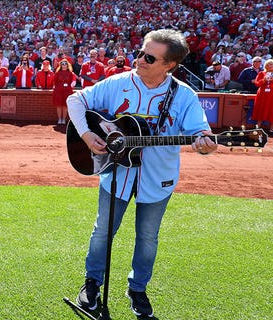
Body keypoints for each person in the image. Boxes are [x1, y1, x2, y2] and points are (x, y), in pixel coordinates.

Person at [67, 29, 218, 318]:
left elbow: (201, 134)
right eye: (140, 53)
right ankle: (92, 283)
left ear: (169, 65)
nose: (140, 60)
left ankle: (137, 288)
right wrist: (86, 135)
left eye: (150, 57)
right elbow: (76, 100)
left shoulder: (184, 96)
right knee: (103, 232)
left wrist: (204, 143)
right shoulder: (117, 83)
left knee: (147, 237)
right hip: (115, 174)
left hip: (157, 178)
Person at [251, 59, 273, 131]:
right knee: (260, 109)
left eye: (272, 64)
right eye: (269, 64)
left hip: (271, 95)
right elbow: (257, 83)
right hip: (262, 95)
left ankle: (271, 129)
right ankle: (258, 127)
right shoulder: (261, 73)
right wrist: (264, 80)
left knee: (271, 110)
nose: (271, 66)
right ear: (266, 66)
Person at [52, 59, 76, 125]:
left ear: (68, 65)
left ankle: (63, 119)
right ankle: (59, 118)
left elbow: (73, 80)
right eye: (63, 64)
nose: (64, 65)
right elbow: (54, 81)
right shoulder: (57, 73)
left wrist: (71, 85)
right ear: (61, 65)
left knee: (65, 105)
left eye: (65, 64)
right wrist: (54, 87)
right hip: (58, 90)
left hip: (67, 91)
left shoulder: (71, 73)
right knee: (59, 105)